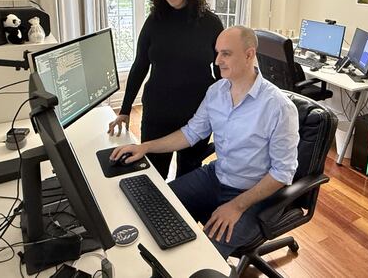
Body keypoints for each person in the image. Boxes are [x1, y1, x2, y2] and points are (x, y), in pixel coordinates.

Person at [110, 26, 300, 258]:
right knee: (155, 206)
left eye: (226, 54)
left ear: (249, 55)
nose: (217, 60)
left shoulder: (278, 107)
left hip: (252, 194)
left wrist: (237, 205)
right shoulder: (216, 92)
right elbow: (190, 133)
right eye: (217, 52)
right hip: (216, 176)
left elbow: (283, 172)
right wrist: (145, 147)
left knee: (203, 257)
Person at [107, 0, 224, 179]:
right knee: (152, 176)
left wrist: (226, 111)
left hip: (197, 115)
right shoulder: (154, 21)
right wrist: (124, 110)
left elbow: (221, 73)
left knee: (188, 178)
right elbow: (140, 65)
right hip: (157, 114)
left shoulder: (211, 23)